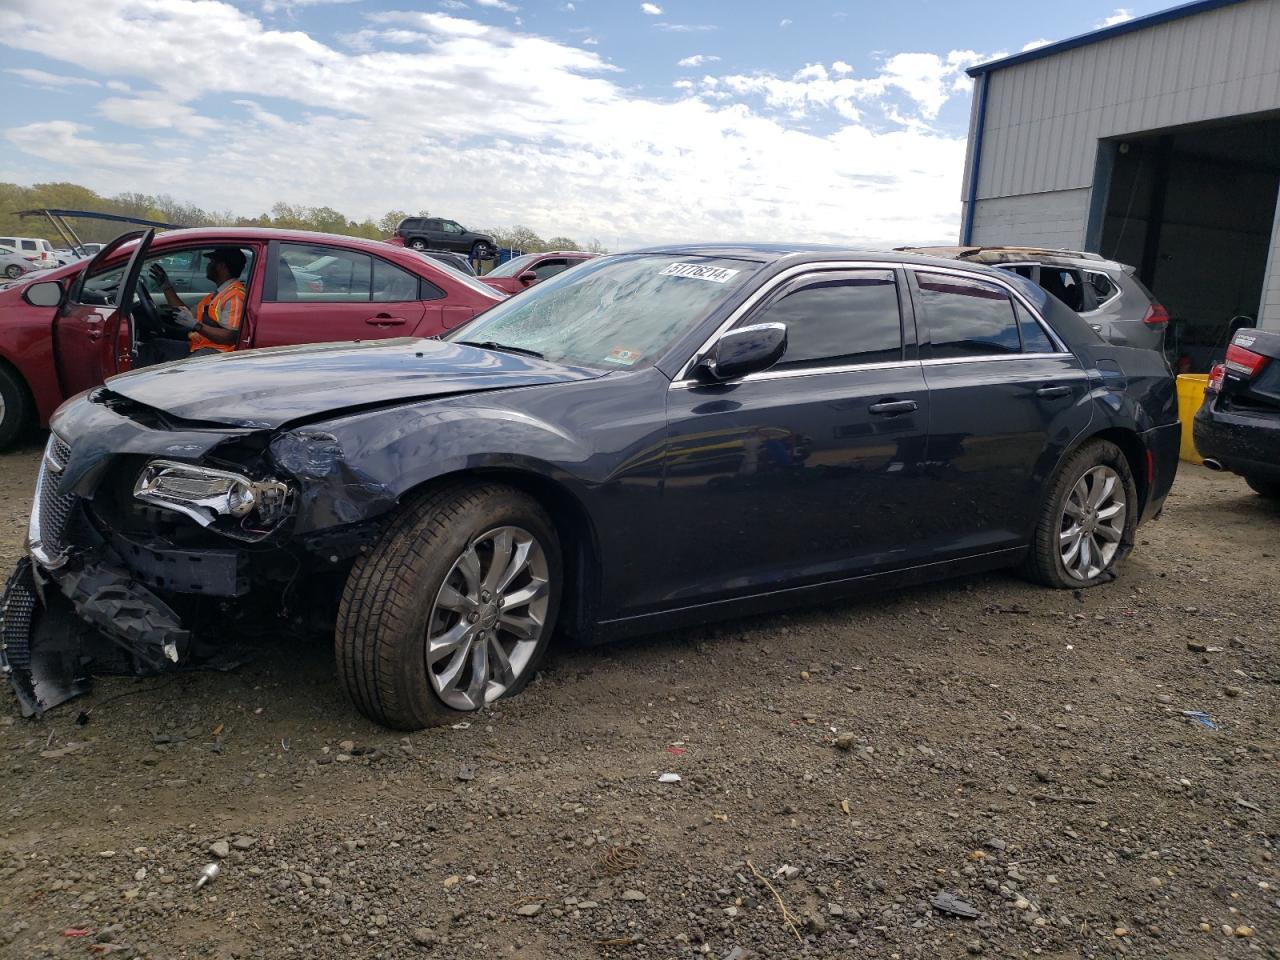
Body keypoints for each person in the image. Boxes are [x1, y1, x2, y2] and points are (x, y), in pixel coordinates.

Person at [148, 247, 247, 356]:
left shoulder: (235, 297)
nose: (208, 265)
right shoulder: (218, 294)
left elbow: (229, 336)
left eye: (211, 262)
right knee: (156, 346)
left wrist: (196, 325)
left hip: (218, 353)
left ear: (221, 266)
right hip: (201, 346)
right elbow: (187, 313)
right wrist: (166, 287)